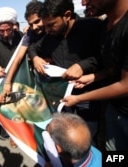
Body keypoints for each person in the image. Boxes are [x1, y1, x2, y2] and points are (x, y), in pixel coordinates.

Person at [27, 0, 104, 146]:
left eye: (51, 25)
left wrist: (84, 65)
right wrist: (36, 58)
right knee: (67, 137)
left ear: (67, 15)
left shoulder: (93, 27)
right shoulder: (49, 37)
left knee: (87, 138)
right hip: (63, 96)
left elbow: (109, 56)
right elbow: (33, 48)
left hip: (87, 95)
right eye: (45, 26)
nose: (47, 30)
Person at [62, 0, 128, 151]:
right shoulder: (106, 26)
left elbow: (126, 86)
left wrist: (79, 98)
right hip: (114, 109)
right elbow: (114, 67)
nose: (84, 3)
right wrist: (94, 77)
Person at [0, 6, 23, 147]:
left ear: (13, 26)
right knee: (7, 109)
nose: (5, 33)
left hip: (20, 79)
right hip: (3, 81)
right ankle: (11, 134)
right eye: (1, 31)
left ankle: (22, 134)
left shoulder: (21, 37)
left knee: (21, 107)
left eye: (8, 30)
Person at [3, 0, 46, 95]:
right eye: (30, 24)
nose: (34, 27)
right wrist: (8, 82)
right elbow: (17, 58)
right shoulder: (29, 34)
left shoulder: (55, 29)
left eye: (37, 21)